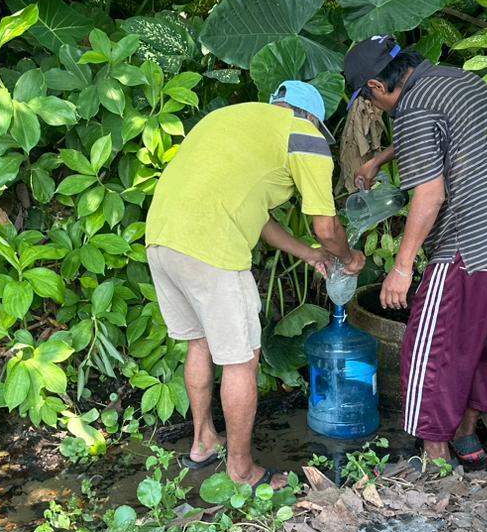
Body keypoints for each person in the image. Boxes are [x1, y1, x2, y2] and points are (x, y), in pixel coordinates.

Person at [342, 35, 487, 469]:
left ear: (377, 87)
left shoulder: (413, 109)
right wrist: (381, 159)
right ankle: (466, 435)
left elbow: (430, 194)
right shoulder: (459, 81)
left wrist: (402, 267)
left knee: (432, 349)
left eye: (368, 99)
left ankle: (435, 457)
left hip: (473, 249)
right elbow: (454, 132)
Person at [145, 81, 365, 489]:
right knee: (242, 360)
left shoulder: (230, 120)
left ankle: (203, 442)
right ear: (311, 118)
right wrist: (349, 258)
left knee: (199, 344)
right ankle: (243, 471)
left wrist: (310, 254)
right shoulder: (305, 134)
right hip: (212, 246)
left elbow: (259, 218)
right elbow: (327, 226)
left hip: (161, 239)